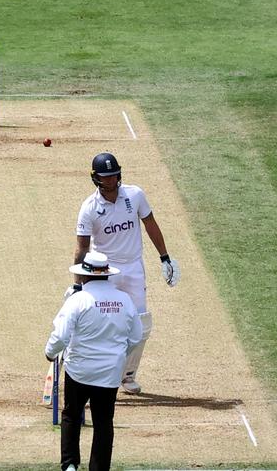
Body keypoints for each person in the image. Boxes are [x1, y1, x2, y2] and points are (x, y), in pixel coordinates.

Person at [72, 152, 178, 395]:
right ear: (95, 178)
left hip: (133, 268)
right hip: (103, 271)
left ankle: (127, 375)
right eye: (105, 177)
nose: (110, 181)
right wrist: (78, 285)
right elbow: (82, 248)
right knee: (99, 323)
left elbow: (150, 224)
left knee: (141, 324)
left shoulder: (135, 195)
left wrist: (165, 257)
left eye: (113, 175)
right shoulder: (89, 208)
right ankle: (89, 375)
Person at [45, 251, 143, 471]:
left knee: (71, 415)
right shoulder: (124, 299)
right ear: (106, 275)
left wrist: (50, 353)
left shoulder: (78, 300)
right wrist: (117, 355)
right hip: (109, 374)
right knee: (103, 422)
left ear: (84, 277)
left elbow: (60, 336)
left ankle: (70, 465)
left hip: (79, 370)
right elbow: (136, 336)